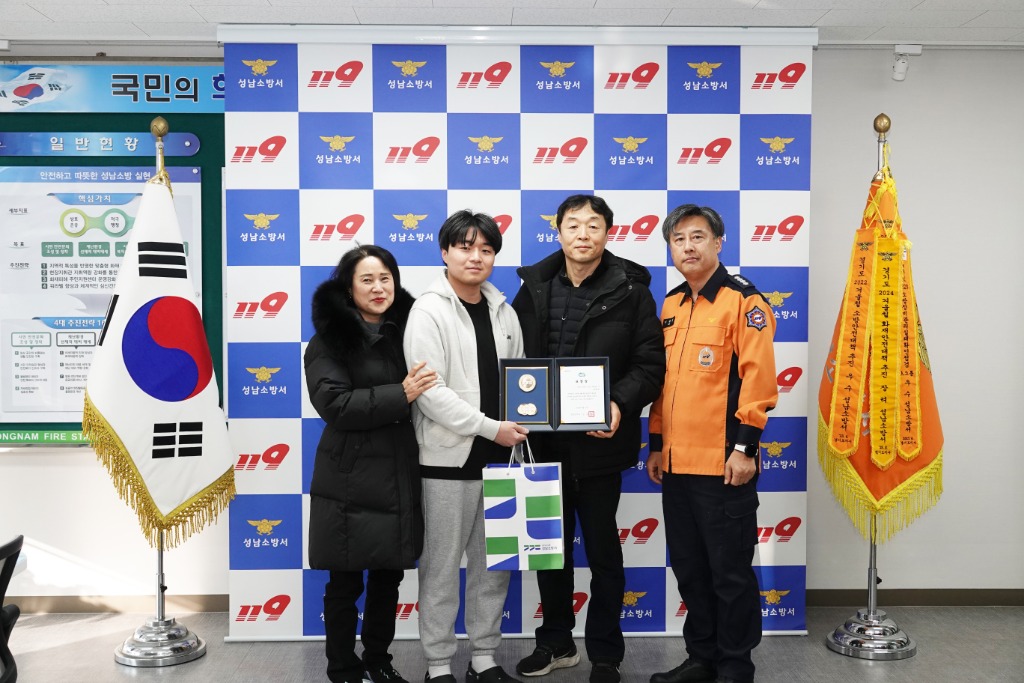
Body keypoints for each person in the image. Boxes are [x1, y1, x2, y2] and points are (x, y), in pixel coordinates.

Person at [511, 194, 665, 683]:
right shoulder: (532, 288)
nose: (583, 234)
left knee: (604, 554)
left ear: (607, 233)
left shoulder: (632, 291)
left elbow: (649, 365)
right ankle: (556, 643)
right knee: (549, 552)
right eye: (573, 225)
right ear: (557, 231)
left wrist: (618, 402)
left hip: (601, 446)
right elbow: (510, 360)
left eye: (593, 225)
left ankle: (605, 654)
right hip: (542, 448)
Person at [646, 205, 778, 683]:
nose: (688, 246)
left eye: (698, 237)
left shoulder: (745, 300)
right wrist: (656, 443)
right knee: (690, 570)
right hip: (676, 466)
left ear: (718, 242)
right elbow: (663, 384)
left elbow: (758, 381)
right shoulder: (671, 305)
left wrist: (745, 450)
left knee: (730, 574)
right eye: (678, 239)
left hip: (723, 465)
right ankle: (701, 658)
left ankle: (736, 666)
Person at [404, 210, 529, 683]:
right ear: (445, 252)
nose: (476, 256)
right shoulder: (428, 310)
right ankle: (438, 664)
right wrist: (489, 427)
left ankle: (484, 657)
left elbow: (521, 378)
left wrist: (526, 416)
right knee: (440, 570)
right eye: (465, 247)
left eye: (486, 249)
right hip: (446, 461)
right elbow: (429, 393)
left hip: (501, 459)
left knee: (493, 569)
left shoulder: (504, 311)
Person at [305, 245, 438, 683]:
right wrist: (402, 393)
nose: (378, 288)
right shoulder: (330, 339)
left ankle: (379, 661)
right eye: (367, 279)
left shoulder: (411, 331)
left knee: (388, 578)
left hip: (399, 471)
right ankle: (343, 667)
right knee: (344, 584)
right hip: (348, 477)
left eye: (385, 278)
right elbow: (335, 405)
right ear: (349, 288)